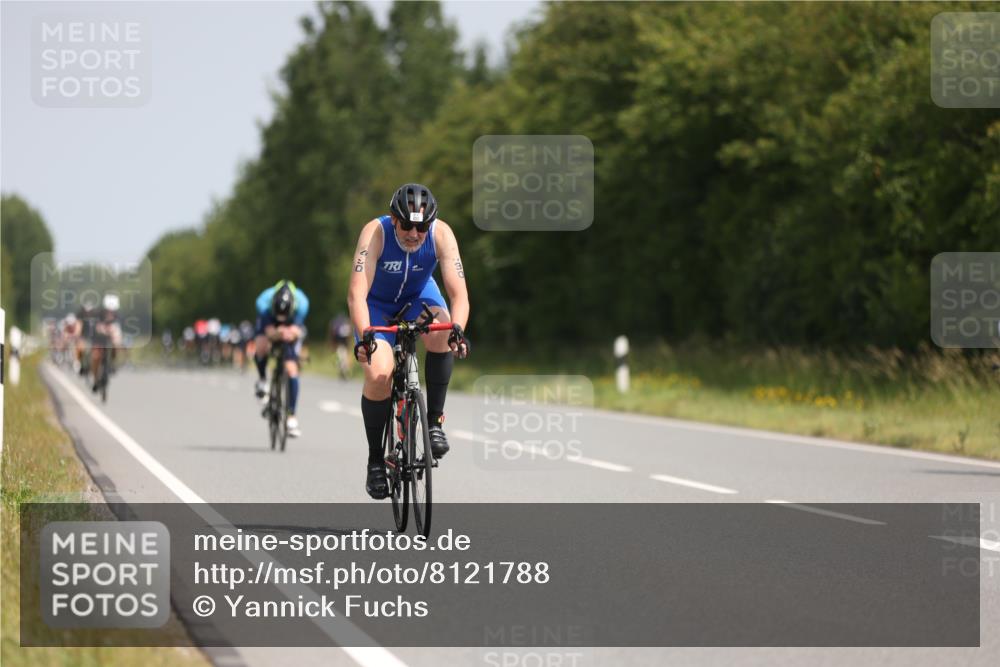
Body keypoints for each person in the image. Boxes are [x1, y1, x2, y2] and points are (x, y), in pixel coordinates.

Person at [348, 183, 469, 499]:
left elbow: (459, 295)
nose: (414, 233)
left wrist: (458, 329)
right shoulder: (375, 233)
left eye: (421, 226)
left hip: (418, 298)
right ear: (393, 219)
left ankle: (434, 424)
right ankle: (376, 461)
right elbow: (357, 294)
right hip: (377, 306)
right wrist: (364, 337)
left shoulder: (441, 234)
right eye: (407, 225)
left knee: (442, 328)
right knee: (378, 375)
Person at [253, 280, 309, 437]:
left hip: (292, 324)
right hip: (269, 320)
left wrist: (291, 332)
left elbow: (296, 331)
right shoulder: (263, 303)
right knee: (261, 346)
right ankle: (263, 379)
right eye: (280, 315)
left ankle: (291, 416)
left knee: (292, 370)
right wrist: (277, 333)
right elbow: (269, 333)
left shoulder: (302, 304)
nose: (281, 318)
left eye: (284, 315)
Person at [91, 293, 122, 392]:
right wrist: (102, 330)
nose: (110, 313)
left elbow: (117, 330)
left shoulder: (117, 316)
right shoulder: (98, 314)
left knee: (116, 345)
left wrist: (115, 338)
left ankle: (112, 363)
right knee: (95, 357)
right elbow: (96, 328)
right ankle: (95, 380)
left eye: (112, 310)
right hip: (99, 337)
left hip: (111, 335)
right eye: (109, 310)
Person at [329, 312, 352, 379]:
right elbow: (349, 336)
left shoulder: (335, 324)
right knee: (344, 356)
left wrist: (332, 344)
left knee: (340, 356)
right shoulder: (346, 324)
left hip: (339, 343)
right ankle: (345, 369)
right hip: (345, 343)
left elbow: (332, 335)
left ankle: (342, 370)